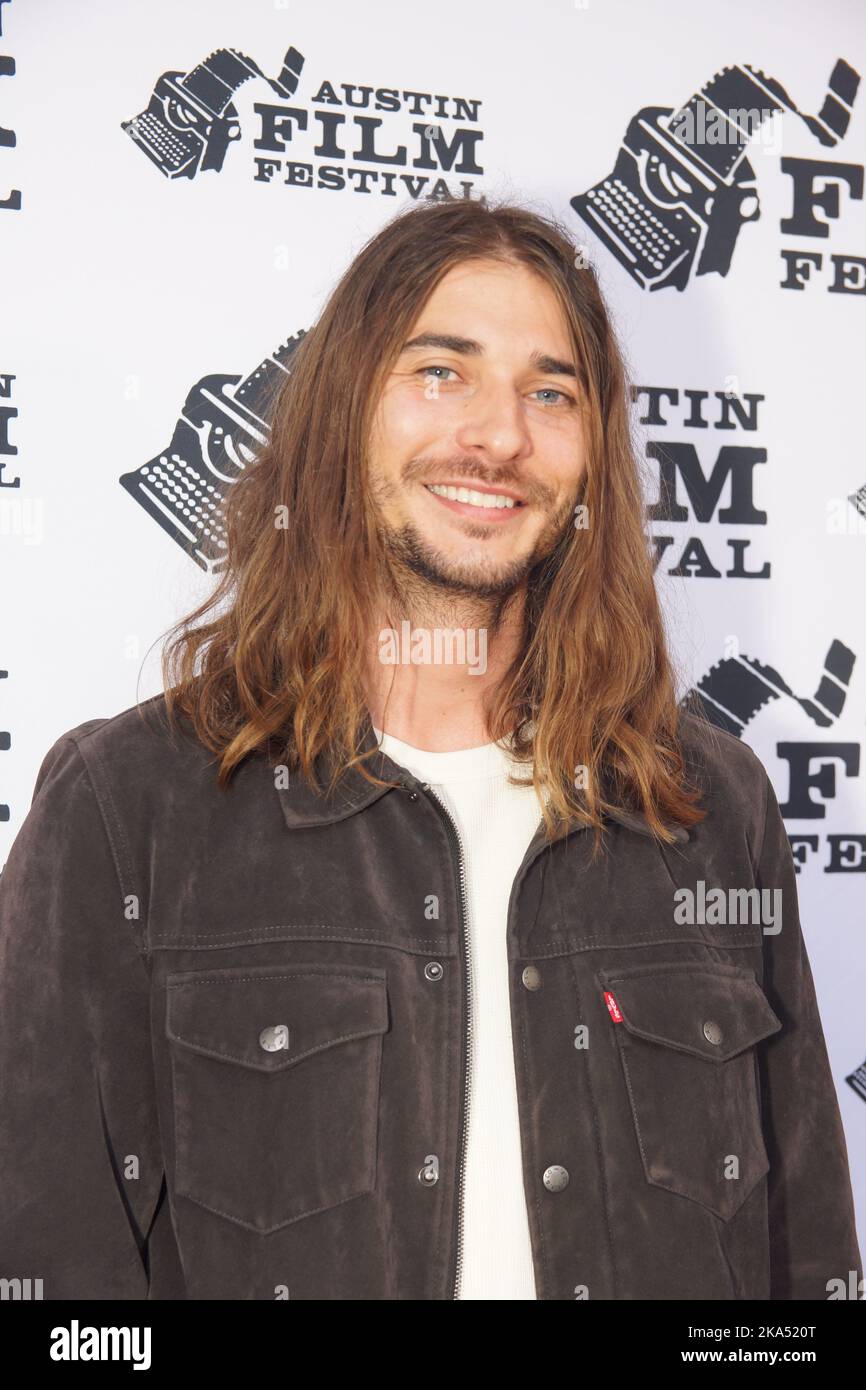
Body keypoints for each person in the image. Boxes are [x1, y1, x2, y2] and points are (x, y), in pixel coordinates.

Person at [0, 197, 861, 1300]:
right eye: (440, 373)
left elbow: (804, 1260)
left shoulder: (706, 806)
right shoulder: (130, 809)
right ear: (341, 415)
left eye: (549, 392)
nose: (499, 434)